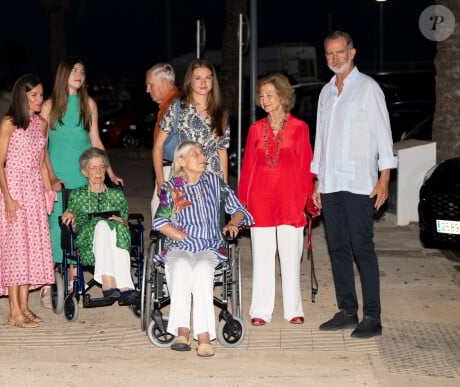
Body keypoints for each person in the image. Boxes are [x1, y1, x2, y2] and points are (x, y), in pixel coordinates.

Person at [311, 31, 398, 339]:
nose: (335, 58)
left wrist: (384, 179)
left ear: (352, 52)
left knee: (362, 249)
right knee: (336, 248)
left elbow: (384, 137)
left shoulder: (368, 89)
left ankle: (372, 316)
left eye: (340, 52)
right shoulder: (325, 93)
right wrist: (317, 182)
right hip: (331, 182)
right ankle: (348, 311)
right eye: (329, 54)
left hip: (361, 183)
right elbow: (320, 140)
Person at [153, 141, 253, 357]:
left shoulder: (215, 183)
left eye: (202, 153)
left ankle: (204, 335)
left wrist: (233, 223)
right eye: (195, 154)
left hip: (209, 245)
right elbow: (160, 221)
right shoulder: (172, 187)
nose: (202, 157)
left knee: (202, 270)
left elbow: (239, 209)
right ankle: (182, 331)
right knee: (179, 265)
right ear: (181, 161)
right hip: (179, 244)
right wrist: (183, 236)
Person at [39, 57, 123, 307]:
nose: (79, 74)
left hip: (85, 173)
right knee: (55, 226)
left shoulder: (89, 104)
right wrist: (50, 177)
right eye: (74, 71)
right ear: (63, 74)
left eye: (82, 71)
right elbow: (41, 147)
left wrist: (110, 173)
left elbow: (96, 141)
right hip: (56, 175)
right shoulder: (49, 105)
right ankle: (48, 280)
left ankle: (75, 275)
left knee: (82, 222)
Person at [238, 73, 314, 326]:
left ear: (282, 96)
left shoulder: (300, 128)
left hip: (290, 201)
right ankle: (260, 309)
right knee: (262, 257)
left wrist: (309, 200)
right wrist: (242, 205)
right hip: (260, 201)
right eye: (261, 96)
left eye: (270, 94)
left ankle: (293, 309)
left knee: (291, 257)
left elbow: (307, 167)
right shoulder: (255, 130)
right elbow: (247, 169)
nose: (265, 100)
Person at [0, 74, 55, 328]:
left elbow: (40, 161)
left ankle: (25, 307)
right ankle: (13, 311)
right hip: (14, 189)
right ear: (22, 96)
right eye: (34, 95)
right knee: (15, 251)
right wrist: (7, 197)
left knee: (30, 249)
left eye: (40, 94)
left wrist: (47, 190)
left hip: (34, 191)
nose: (39, 99)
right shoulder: (9, 122)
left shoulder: (42, 123)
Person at [60, 147, 139, 306]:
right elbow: (72, 215)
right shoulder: (78, 194)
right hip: (88, 241)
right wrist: (71, 215)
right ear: (85, 172)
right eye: (93, 168)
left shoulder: (116, 195)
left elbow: (125, 221)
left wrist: (122, 222)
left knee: (116, 227)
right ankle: (108, 280)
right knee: (102, 224)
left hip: (116, 238)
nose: (98, 171)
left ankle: (125, 286)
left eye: (102, 167)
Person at [152, 59, 230, 202]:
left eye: (207, 78)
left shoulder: (220, 112)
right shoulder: (178, 108)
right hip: (183, 184)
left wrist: (224, 186)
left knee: (215, 225)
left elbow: (222, 151)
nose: (203, 83)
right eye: (198, 78)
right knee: (182, 224)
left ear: (213, 81)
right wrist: (160, 180)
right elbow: (158, 146)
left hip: (212, 184)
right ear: (190, 81)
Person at [145, 63, 182, 219]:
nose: (147, 90)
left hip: (173, 170)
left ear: (165, 84)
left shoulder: (175, 105)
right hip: (170, 169)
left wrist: (161, 180)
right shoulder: (170, 104)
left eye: (150, 85)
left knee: (163, 219)